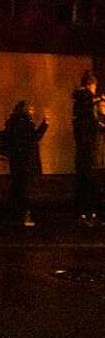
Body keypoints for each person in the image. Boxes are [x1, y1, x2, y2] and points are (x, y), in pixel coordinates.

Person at [5, 100, 48, 227]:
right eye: (31, 109)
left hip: (17, 162)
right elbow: (33, 138)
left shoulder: (12, 122)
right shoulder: (25, 123)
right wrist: (44, 125)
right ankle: (24, 216)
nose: (33, 112)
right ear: (25, 110)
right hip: (26, 162)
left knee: (16, 188)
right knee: (24, 190)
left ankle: (13, 215)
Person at [72, 71, 104, 226]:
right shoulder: (85, 101)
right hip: (87, 149)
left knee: (88, 182)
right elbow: (90, 115)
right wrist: (98, 100)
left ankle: (87, 214)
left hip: (86, 149)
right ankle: (85, 214)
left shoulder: (81, 105)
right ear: (92, 85)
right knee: (87, 182)